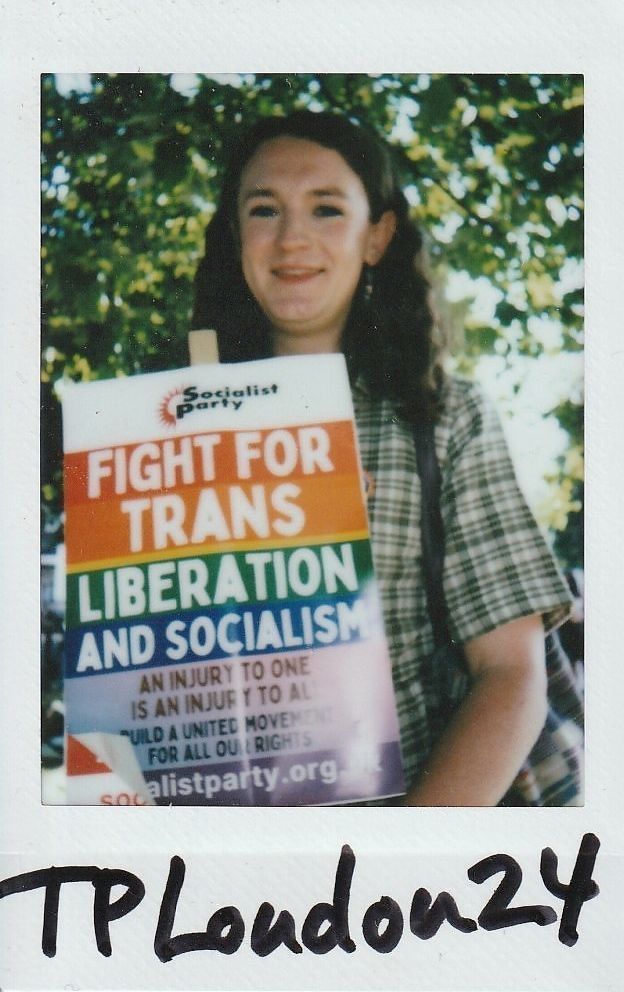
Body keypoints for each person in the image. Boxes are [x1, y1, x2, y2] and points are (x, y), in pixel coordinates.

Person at [192, 110, 573, 806]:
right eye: (264, 209)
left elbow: (512, 676)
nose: (292, 237)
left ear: (378, 237)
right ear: (235, 236)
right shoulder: (165, 428)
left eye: (327, 208)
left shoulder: (444, 418)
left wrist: (397, 858)